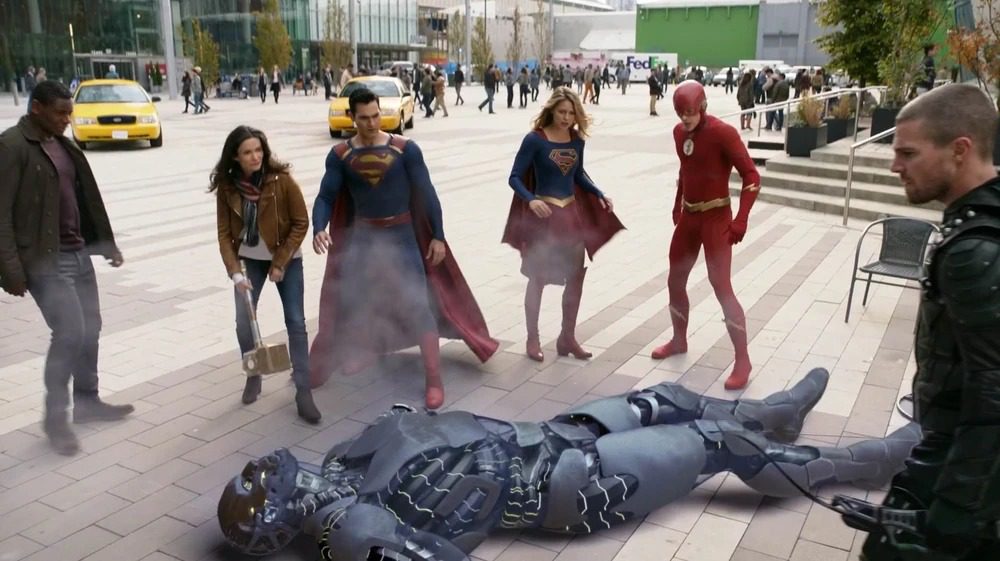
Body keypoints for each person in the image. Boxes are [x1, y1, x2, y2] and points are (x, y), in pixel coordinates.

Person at [218, 369, 922, 560]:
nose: (257, 467)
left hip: (546, 433)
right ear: (274, 517)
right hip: (567, 482)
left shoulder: (339, 460)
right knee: (717, 442)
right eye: (253, 484)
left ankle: (774, 411)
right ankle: (860, 463)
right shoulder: (352, 526)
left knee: (667, 395)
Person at [855, 83, 1000, 561]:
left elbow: (993, 389)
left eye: (908, 153)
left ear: (960, 150)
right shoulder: (979, 223)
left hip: (960, 465)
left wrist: (955, 509)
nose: (895, 166)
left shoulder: (974, 250)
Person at [310, 88, 499, 409]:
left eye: (376, 116)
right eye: (364, 118)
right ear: (352, 117)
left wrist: (438, 235)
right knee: (362, 302)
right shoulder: (340, 154)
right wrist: (319, 227)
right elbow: (326, 196)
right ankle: (368, 350)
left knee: (418, 305)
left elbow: (426, 193)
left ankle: (434, 378)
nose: (372, 123)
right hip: (364, 239)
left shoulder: (405, 150)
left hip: (402, 237)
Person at [0, 81, 135, 456]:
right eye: (61, 112)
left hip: (78, 253)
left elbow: (85, 198)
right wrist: (10, 270)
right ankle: (56, 419)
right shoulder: (12, 146)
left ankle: (88, 402)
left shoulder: (63, 143)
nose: (67, 119)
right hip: (45, 260)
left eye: (69, 112)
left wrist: (105, 244)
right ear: (36, 108)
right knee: (70, 333)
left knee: (91, 328)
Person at [651, 81, 761, 391]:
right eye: (680, 113)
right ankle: (679, 339)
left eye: (689, 112)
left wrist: (741, 218)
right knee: (675, 280)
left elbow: (752, 175)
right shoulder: (679, 133)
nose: (685, 118)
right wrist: (677, 203)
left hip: (716, 218)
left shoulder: (723, 133)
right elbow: (685, 170)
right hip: (690, 217)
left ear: (701, 107)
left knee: (721, 286)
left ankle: (743, 359)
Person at [503, 87, 624, 363]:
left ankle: (567, 337)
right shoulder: (535, 140)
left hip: (570, 218)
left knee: (576, 277)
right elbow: (514, 177)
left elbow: (578, 174)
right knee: (537, 279)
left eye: (571, 113)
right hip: (543, 220)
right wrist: (531, 200)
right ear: (552, 110)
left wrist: (598, 192)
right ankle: (532, 339)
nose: (566, 118)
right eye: (562, 112)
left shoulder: (576, 140)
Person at [210, 126, 320, 423]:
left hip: (287, 259)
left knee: (295, 321)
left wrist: (280, 262)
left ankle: (303, 390)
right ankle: (254, 373)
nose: (255, 157)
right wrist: (235, 273)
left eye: (258, 150)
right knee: (243, 322)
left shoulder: (281, 180)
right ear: (235, 156)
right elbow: (224, 234)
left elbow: (301, 222)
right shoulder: (228, 187)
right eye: (247, 152)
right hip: (249, 262)